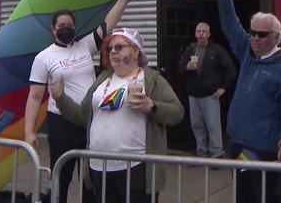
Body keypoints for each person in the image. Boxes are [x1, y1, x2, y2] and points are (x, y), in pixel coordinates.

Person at [24, 0, 139, 203]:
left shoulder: (85, 46)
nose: (66, 27)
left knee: (91, 176)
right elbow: (35, 97)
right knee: (62, 174)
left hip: (90, 120)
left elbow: (108, 24)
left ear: (75, 28)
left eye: (70, 24)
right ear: (53, 29)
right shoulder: (44, 57)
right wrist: (29, 132)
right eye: (61, 25)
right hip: (61, 122)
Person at [50, 27, 184, 203]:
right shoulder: (102, 79)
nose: (113, 51)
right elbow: (82, 117)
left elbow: (177, 112)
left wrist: (151, 106)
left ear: (136, 51)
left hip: (135, 169)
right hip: (99, 168)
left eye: (119, 47)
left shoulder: (151, 79)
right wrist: (60, 98)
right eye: (109, 48)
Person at [214, 0, 281, 203]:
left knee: (264, 196)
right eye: (253, 33)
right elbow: (230, 25)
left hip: (264, 148)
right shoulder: (247, 52)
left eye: (261, 35)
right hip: (239, 143)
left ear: (276, 36)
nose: (255, 38)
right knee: (244, 196)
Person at [177, 22, 236, 158]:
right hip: (193, 94)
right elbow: (179, 69)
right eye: (199, 31)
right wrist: (187, 67)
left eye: (204, 32)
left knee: (213, 126)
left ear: (209, 34)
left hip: (211, 95)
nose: (201, 34)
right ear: (195, 34)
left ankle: (216, 153)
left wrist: (223, 87)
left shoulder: (217, 50)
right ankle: (202, 152)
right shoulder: (190, 49)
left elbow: (230, 70)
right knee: (197, 126)